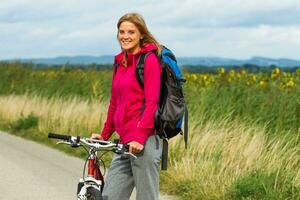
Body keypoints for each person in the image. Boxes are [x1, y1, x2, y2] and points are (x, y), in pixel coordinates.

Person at [91, 12, 162, 200]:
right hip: (125, 141)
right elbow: (115, 102)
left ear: (141, 34)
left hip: (144, 141)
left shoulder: (149, 60)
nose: (125, 36)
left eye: (131, 32)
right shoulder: (119, 62)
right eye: (121, 32)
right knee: (109, 196)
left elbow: (152, 102)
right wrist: (105, 134)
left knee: (146, 197)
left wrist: (139, 137)